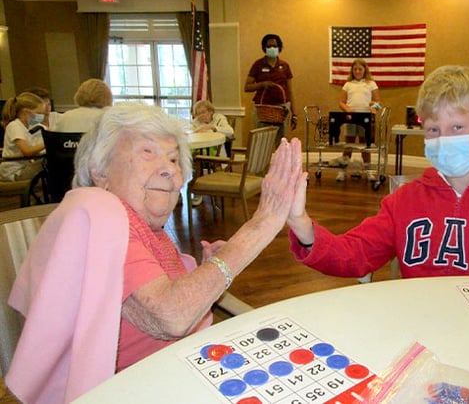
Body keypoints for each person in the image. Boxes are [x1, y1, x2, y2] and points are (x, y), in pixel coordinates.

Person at [5, 102, 303, 404]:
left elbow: (150, 299)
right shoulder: (101, 214)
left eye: (174, 159)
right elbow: (172, 316)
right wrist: (261, 225)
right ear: (100, 171)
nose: (169, 170)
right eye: (148, 153)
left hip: (179, 373)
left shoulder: (146, 227)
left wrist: (207, 270)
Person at [286, 63, 469, 279]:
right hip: (421, 331)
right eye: (433, 130)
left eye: (456, 128)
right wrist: (301, 223)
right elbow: (353, 255)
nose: (443, 140)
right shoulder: (403, 201)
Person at [332, 58, 381, 182]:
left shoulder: (371, 84)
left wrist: (373, 108)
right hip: (351, 118)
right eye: (355, 69)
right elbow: (341, 102)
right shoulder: (348, 84)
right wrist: (347, 109)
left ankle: (368, 171)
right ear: (352, 71)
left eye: (360, 69)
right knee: (348, 145)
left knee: (365, 146)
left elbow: (378, 102)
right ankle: (342, 171)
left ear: (365, 70)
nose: (358, 71)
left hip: (365, 118)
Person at [244, 33, 297, 146]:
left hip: (282, 108)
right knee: (262, 142)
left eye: (275, 46)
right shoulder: (257, 65)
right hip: (262, 109)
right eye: (269, 46)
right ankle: (263, 163)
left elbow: (290, 91)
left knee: (282, 142)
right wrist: (261, 84)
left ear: (279, 47)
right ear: (264, 48)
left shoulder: (285, 66)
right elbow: (247, 87)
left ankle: (280, 163)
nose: (272, 48)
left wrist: (294, 113)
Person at [0, 92, 46, 182]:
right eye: (39, 113)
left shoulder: (28, 126)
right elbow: (27, 151)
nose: (41, 117)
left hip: (25, 166)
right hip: (15, 172)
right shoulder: (14, 126)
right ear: (26, 112)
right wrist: (48, 143)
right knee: (50, 163)